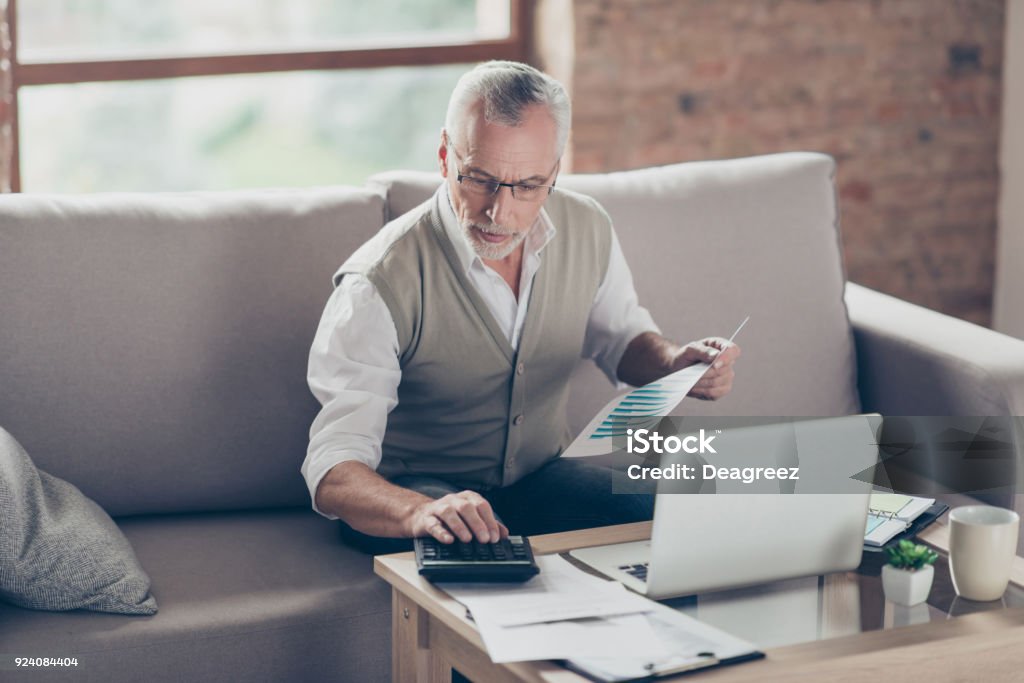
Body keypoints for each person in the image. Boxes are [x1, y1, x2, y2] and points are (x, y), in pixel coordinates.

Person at [302, 61, 741, 554]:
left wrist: (673, 363)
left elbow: (619, 339)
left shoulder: (588, 226)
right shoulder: (377, 282)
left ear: (554, 171)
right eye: (480, 179)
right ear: (446, 156)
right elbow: (334, 469)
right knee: (471, 552)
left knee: (675, 516)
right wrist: (419, 511)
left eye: (528, 186)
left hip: (540, 479)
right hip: (419, 492)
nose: (499, 212)